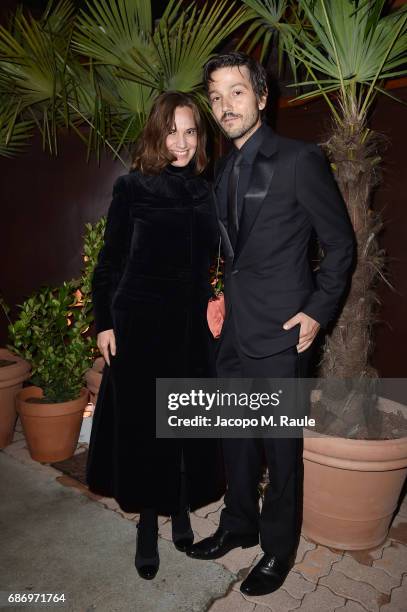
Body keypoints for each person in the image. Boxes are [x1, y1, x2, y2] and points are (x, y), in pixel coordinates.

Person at [187, 52, 355, 596]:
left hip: (283, 330)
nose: (225, 106)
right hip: (232, 329)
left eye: (236, 92)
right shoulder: (220, 168)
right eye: (215, 96)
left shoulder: (299, 159)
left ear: (262, 97)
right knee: (235, 436)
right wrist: (217, 292)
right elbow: (232, 249)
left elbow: (341, 245)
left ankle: (278, 548)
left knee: (280, 447)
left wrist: (317, 310)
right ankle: (239, 524)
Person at [86, 91, 225, 581]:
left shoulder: (206, 192)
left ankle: (181, 505)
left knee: (186, 421)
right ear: (156, 133)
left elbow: (217, 260)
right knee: (147, 427)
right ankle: (148, 523)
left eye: (190, 131)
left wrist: (217, 298)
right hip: (140, 324)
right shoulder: (132, 187)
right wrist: (104, 322)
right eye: (172, 131)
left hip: (190, 327)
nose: (182, 142)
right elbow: (109, 263)